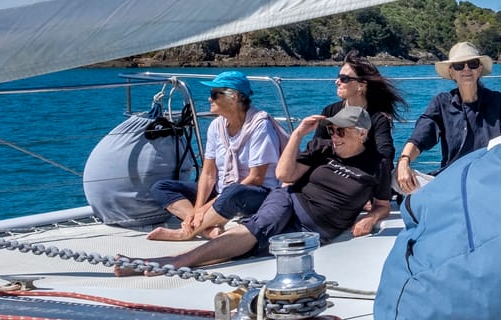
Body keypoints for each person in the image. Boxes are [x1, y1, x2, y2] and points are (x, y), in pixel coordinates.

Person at [114, 107, 392, 276]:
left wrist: (370, 218)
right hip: (290, 199)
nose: (334, 136)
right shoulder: (323, 148)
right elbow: (284, 175)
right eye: (331, 130)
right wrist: (297, 136)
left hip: (318, 229)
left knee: (256, 247)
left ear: (361, 133)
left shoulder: (377, 165)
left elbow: (382, 204)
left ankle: (170, 261)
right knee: (259, 227)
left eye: (340, 132)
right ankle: (171, 262)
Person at [147, 71, 286, 241]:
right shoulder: (216, 126)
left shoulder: (260, 126)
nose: (209, 99)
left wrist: (206, 207)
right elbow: (208, 173)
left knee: (233, 192)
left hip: (253, 193)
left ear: (233, 98)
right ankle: (206, 228)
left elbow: (256, 178)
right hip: (223, 190)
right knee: (160, 187)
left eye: (214, 94)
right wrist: (198, 209)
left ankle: (186, 232)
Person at [395, 42, 501, 195]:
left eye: (472, 64)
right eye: (459, 65)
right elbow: (421, 136)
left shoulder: (498, 101)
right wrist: (404, 161)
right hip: (452, 178)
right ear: (452, 72)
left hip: (490, 178)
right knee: (396, 178)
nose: (466, 69)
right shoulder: (442, 103)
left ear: (479, 69)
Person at [313, 50, 407, 164]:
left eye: (344, 79)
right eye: (339, 77)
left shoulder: (378, 118)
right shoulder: (330, 111)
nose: (337, 82)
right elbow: (316, 148)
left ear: (361, 86)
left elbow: (386, 154)